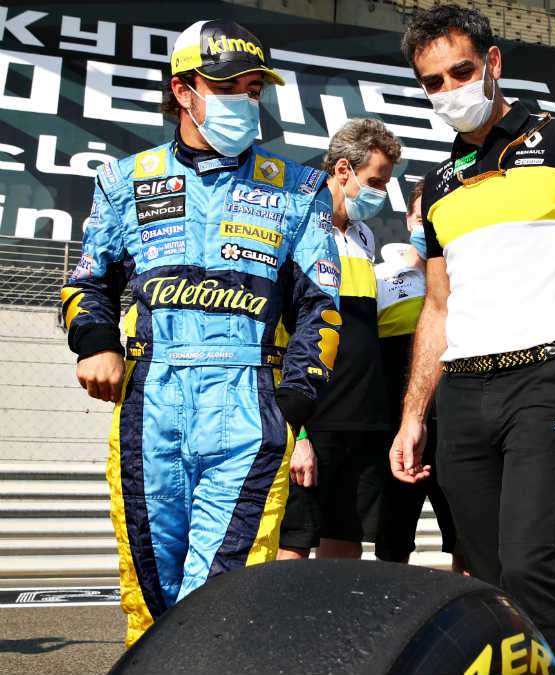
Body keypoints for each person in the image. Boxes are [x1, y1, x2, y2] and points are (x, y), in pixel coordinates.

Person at [60, 19, 340, 646]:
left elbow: (321, 310)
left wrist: (291, 406)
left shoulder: (300, 188)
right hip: (147, 405)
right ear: (184, 90)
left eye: (252, 88)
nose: (245, 100)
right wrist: (96, 341)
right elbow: (87, 279)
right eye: (228, 86)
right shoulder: (125, 180)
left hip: (247, 407)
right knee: (149, 596)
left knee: (221, 597)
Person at [389, 6, 555, 673]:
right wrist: (413, 414)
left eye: (461, 72)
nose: (449, 91)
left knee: (532, 572)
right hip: (462, 397)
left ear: (492, 64)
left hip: (546, 380)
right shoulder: (436, 183)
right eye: (432, 82)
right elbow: (437, 307)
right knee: (491, 584)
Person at [277, 119, 403, 561]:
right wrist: (300, 433)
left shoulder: (365, 235)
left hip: (363, 420)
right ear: (344, 170)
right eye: (376, 181)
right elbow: (284, 334)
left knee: (347, 543)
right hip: (314, 417)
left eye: (386, 184)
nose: (381, 193)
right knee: (293, 541)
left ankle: (331, 632)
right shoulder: (295, 229)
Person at [373, 180, 464, 573]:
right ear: (410, 217)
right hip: (398, 427)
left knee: (467, 539)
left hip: (458, 425)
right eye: (421, 215)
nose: (427, 224)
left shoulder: (469, 280)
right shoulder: (379, 277)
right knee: (391, 543)